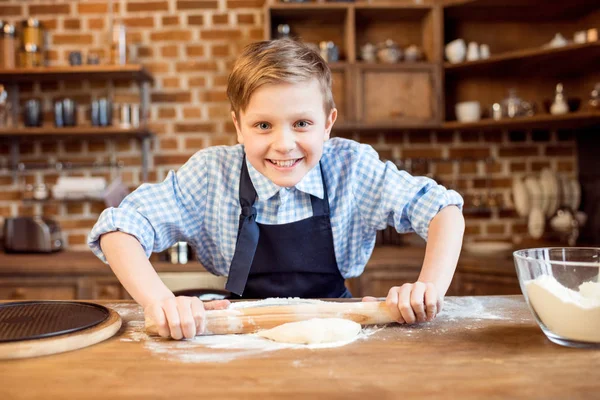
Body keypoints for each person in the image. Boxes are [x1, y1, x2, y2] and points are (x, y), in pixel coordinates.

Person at [89, 39, 465, 340]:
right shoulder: (210, 174)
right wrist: (160, 301)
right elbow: (119, 228)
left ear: (327, 123)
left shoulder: (354, 168)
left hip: (336, 331)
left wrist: (426, 288)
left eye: (302, 123)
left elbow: (443, 210)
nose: (284, 145)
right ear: (238, 126)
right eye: (263, 125)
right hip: (237, 334)